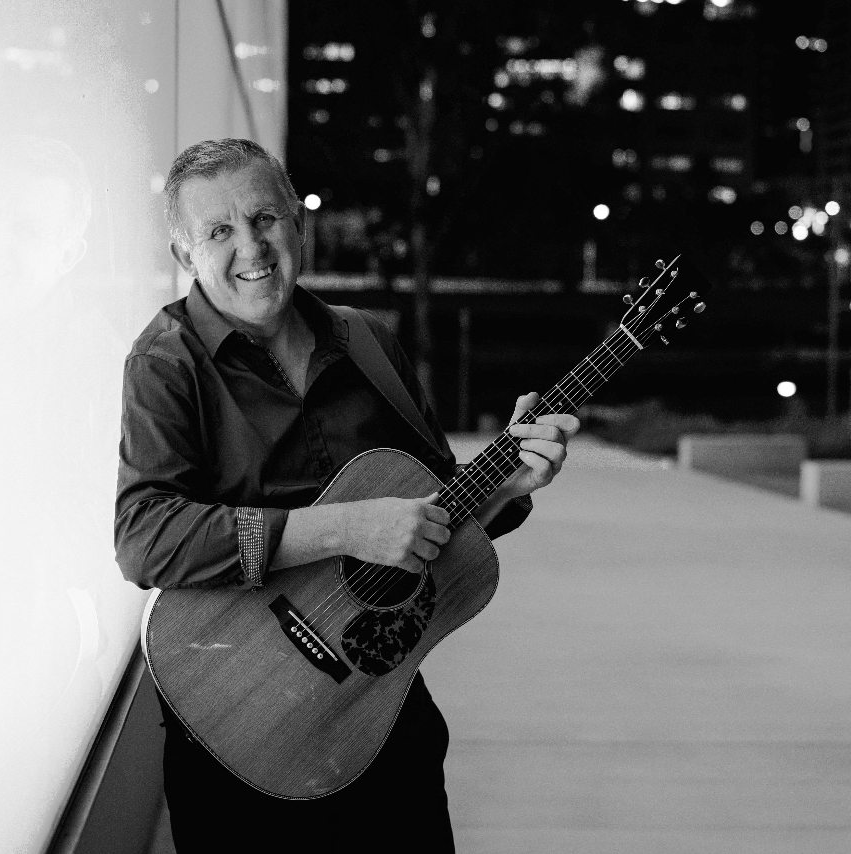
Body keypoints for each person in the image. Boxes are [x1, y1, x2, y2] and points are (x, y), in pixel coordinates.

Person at [114, 139, 578, 852]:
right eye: (219, 231)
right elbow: (145, 538)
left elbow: (432, 518)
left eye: (265, 218)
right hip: (239, 726)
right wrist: (340, 529)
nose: (252, 247)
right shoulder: (166, 364)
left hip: (377, 712)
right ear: (185, 257)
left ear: (298, 223)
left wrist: (508, 484)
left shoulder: (369, 343)